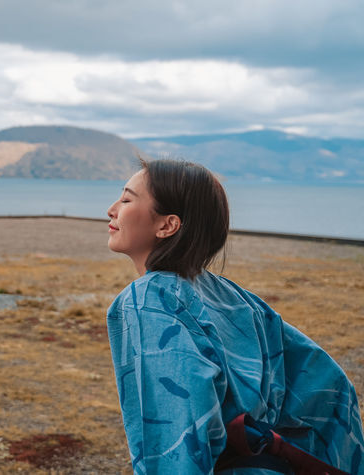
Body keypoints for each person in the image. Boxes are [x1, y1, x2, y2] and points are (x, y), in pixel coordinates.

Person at [105, 158, 364, 474]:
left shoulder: (149, 300)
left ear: (167, 225)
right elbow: (332, 387)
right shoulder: (230, 295)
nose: (112, 209)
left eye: (127, 199)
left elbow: (175, 440)